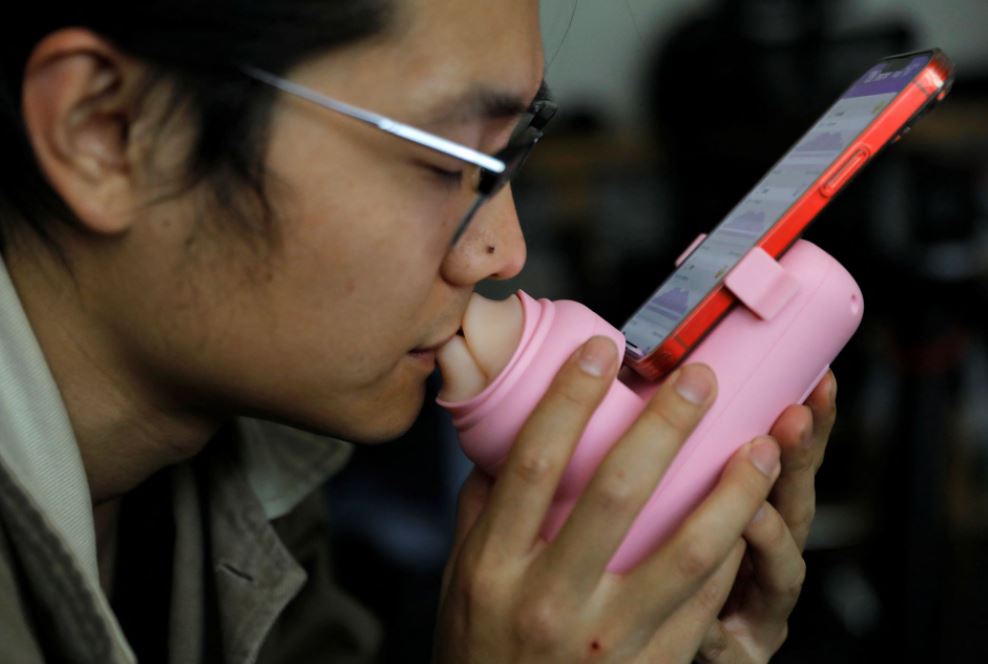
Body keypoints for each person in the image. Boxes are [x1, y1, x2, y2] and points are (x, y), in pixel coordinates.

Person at [0, 1, 837, 662]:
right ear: (107, 131)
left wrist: (645, 626)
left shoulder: (260, 485)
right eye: (446, 160)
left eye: (511, 151)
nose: (503, 251)